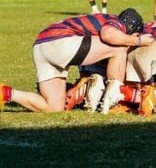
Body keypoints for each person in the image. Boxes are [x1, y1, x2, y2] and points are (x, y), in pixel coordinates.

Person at [0, 9, 148, 113]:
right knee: (120, 47)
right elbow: (109, 34)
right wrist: (138, 40)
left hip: (41, 46)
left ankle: (6, 93)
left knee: (53, 108)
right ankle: (113, 101)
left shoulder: (103, 20)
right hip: (59, 41)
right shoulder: (115, 21)